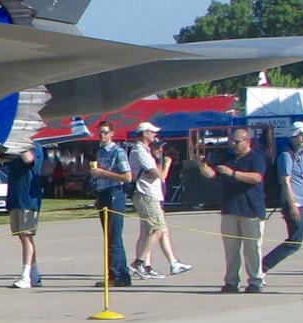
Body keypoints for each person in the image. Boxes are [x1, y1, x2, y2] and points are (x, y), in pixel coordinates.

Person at [197, 126, 268, 292]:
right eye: (232, 142)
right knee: (231, 250)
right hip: (229, 209)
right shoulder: (227, 157)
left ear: (247, 141)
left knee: (252, 249)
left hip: (251, 211)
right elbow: (212, 174)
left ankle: (255, 281)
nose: (233, 145)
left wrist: (233, 173)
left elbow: (257, 177)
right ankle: (231, 281)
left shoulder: (255, 158)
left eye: (237, 142)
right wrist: (202, 165)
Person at [261, 120, 303, 286]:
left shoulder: (301, 154)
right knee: (294, 242)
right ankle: (261, 267)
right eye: (301, 135)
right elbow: (285, 180)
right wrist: (292, 204)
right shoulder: (286, 155)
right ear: (293, 137)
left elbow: (300, 176)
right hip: (296, 204)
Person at [127, 122, 190, 279]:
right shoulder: (139, 151)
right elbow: (160, 176)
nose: (155, 135)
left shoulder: (145, 151)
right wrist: (167, 164)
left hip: (151, 194)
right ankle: (138, 263)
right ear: (145, 133)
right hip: (146, 194)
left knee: (147, 231)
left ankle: (146, 266)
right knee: (159, 229)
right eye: (152, 132)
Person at [88, 121, 133, 287]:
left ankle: (119, 275)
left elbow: (127, 177)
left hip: (115, 193)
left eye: (105, 132)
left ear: (112, 133)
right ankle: (113, 274)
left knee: (114, 236)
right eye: (100, 132)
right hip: (103, 193)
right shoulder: (99, 151)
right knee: (108, 236)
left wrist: (103, 173)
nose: (102, 135)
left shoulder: (118, 152)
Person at [3, 148, 44, 288]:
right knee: (23, 237)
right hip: (15, 198)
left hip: (29, 200)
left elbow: (28, 159)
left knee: (27, 236)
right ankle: (35, 275)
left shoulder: (35, 147)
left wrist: (20, 144)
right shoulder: (13, 149)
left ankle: (26, 275)